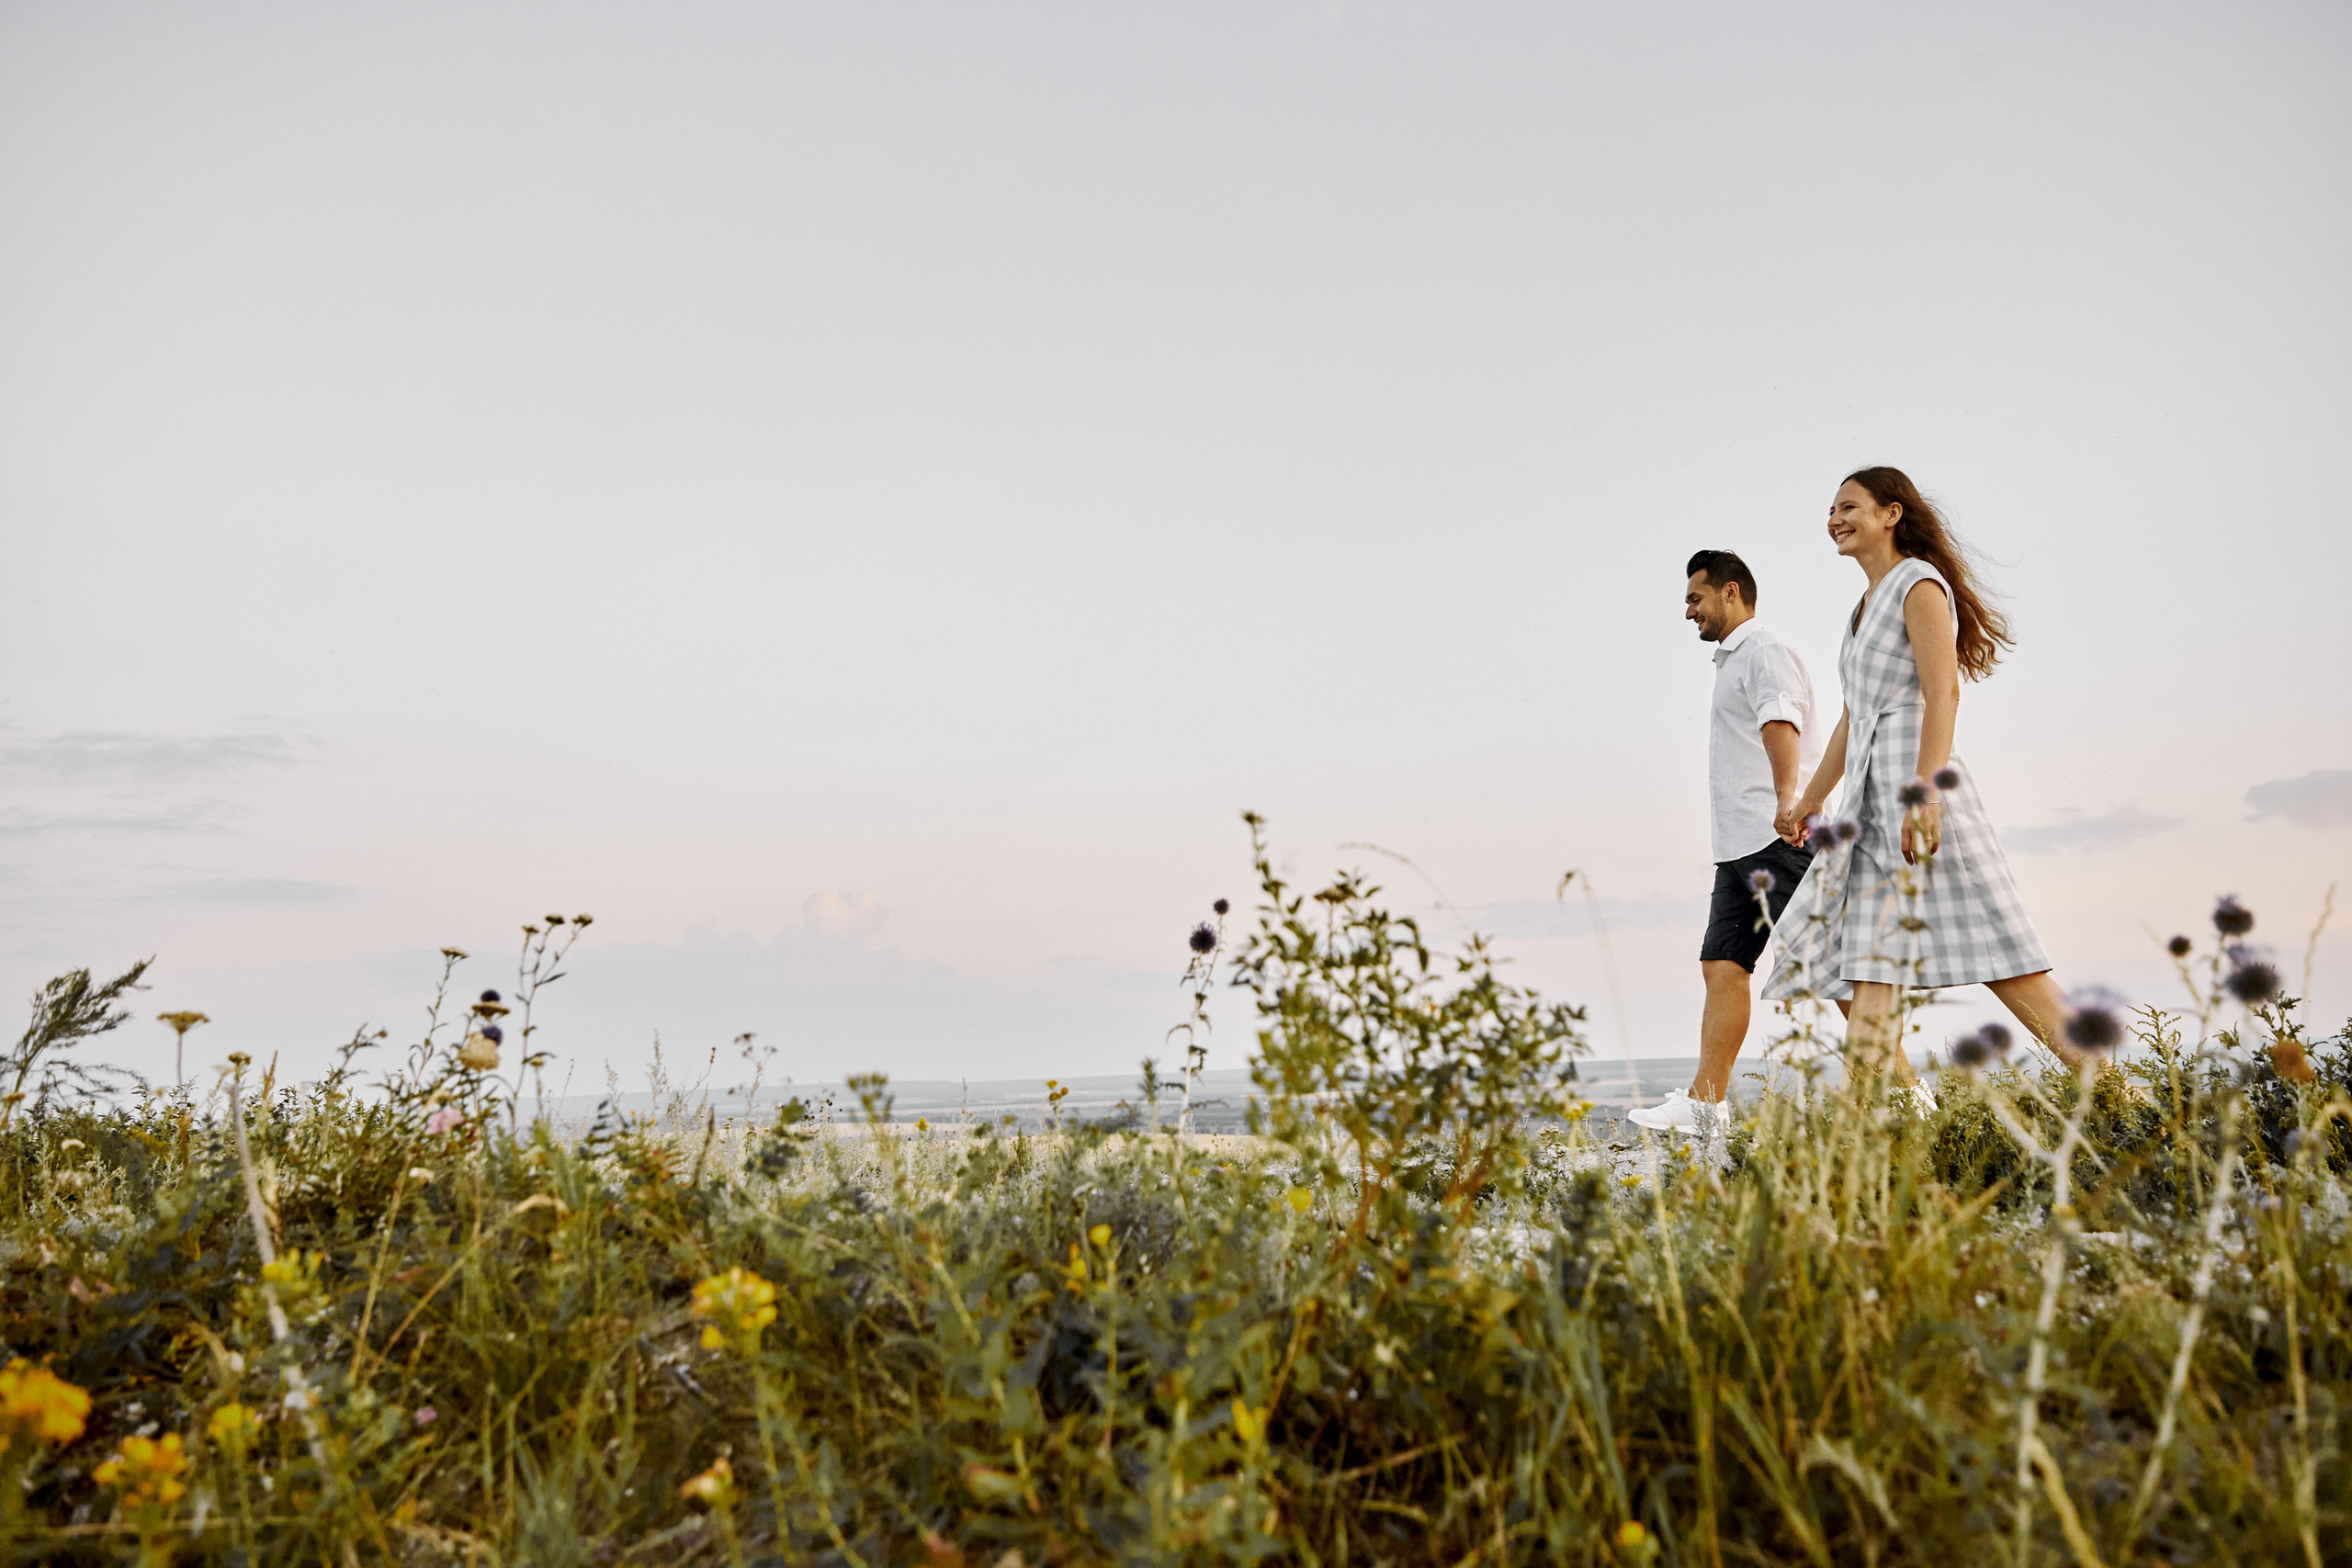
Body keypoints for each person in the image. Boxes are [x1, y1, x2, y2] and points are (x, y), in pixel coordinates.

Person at [1762, 467, 2088, 1083]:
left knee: (2007, 958)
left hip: (1918, 790)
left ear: (1891, 513)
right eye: (1831, 510)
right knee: (1869, 965)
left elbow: (1943, 694)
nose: (1835, 519)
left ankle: (2129, 1104)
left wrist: (1926, 798)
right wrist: (1811, 801)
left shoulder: (1918, 583)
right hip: (1869, 804)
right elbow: (1852, 718)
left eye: (1849, 506)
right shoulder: (1861, 609)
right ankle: (1872, 1126)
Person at [1631, 551, 1820, 1135]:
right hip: (1738, 847)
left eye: (1695, 599)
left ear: (1730, 592)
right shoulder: (1733, 661)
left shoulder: (1763, 650)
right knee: (1722, 964)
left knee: (1835, 963)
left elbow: (1781, 723)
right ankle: (1705, 1106)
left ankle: (1908, 1096)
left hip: (1778, 837)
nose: (1689, 612)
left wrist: (1787, 801)